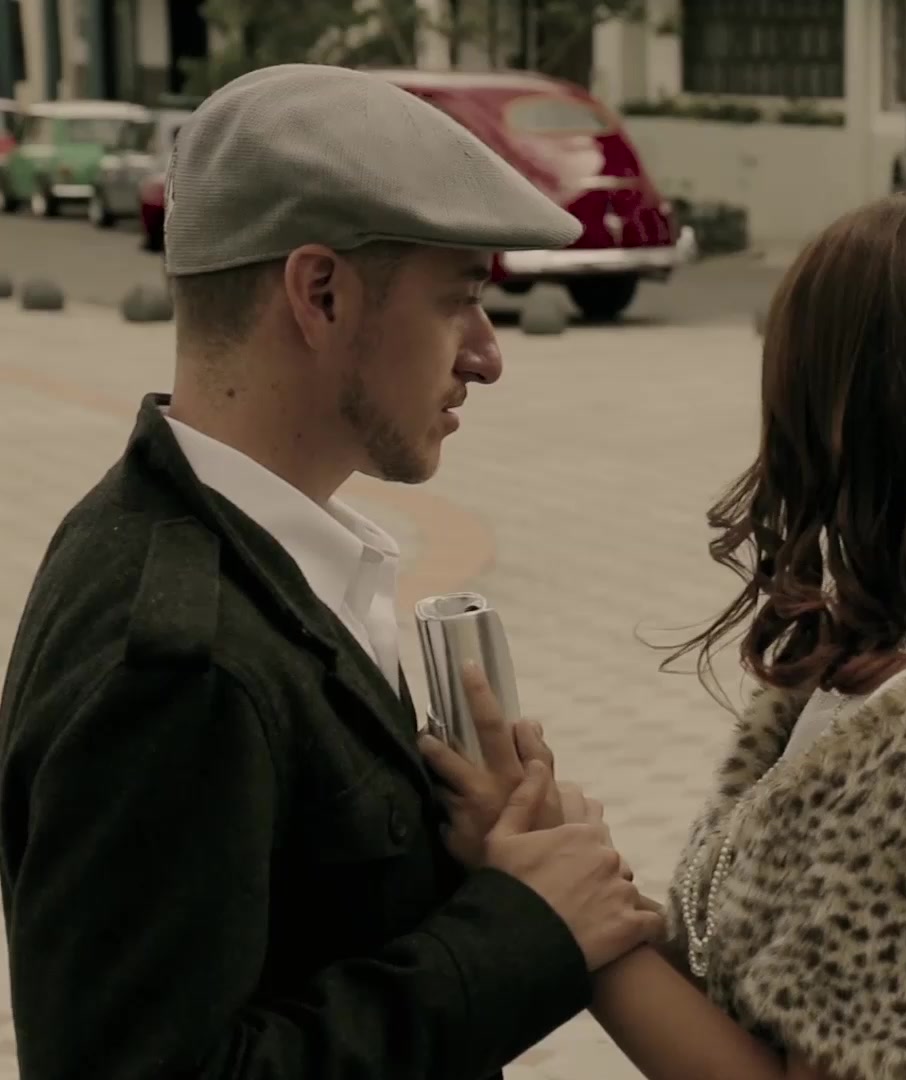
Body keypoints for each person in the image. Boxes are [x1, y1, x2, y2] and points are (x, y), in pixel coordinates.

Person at [420, 192, 906, 1079]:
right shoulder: (901, 657)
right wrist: (561, 857)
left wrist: (562, 922)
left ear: (839, 408)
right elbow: (761, 994)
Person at [0, 64, 658, 1080]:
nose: (487, 355)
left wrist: (472, 854)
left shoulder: (252, 553)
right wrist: (523, 930)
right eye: (459, 300)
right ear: (320, 294)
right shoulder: (180, 660)